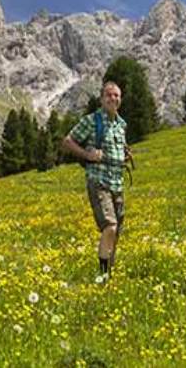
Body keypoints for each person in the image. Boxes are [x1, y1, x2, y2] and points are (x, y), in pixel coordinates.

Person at [62, 81, 130, 278]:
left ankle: (110, 273)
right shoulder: (92, 121)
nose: (113, 98)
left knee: (116, 231)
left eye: (116, 95)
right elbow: (67, 141)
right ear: (102, 99)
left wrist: (124, 154)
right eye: (109, 95)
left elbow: (118, 147)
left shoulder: (121, 124)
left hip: (117, 182)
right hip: (99, 181)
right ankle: (102, 276)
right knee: (110, 226)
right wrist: (87, 155)